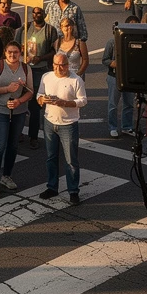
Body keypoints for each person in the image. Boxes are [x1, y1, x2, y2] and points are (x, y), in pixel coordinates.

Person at [37, 53, 87, 204]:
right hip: (49, 122)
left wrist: (64, 103)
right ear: (52, 64)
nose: (59, 68)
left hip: (68, 124)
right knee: (51, 157)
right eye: (56, 65)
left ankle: (73, 191)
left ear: (68, 65)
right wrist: (42, 99)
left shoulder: (76, 80)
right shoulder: (46, 77)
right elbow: (39, 95)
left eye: (62, 65)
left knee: (71, 160)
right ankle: (52, 187)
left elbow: (83, 101)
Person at [0, 42, 33, 195]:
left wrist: (19, 101)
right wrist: (7, 89)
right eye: (10, 52)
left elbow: (30, 91)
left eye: (16, 52)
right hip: (1, 110)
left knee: (13, 145)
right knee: (0, 146)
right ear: (5, 53)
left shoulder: (25, 68)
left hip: (19, 111)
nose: (13, 55)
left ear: (20, 53)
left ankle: (6, 176)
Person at [23, 7, 58, 149]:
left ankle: (33, 136)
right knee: (19, 103)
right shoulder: (25, 27)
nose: (36, 15)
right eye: (34, 12)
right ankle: (17, 133)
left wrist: (41, 58)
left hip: (40, 70)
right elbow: (17, 46)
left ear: (44, 14)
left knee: (35, 106)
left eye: (39, 13)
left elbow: (54, 51)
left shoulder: (50, 30)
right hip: (24, 69)